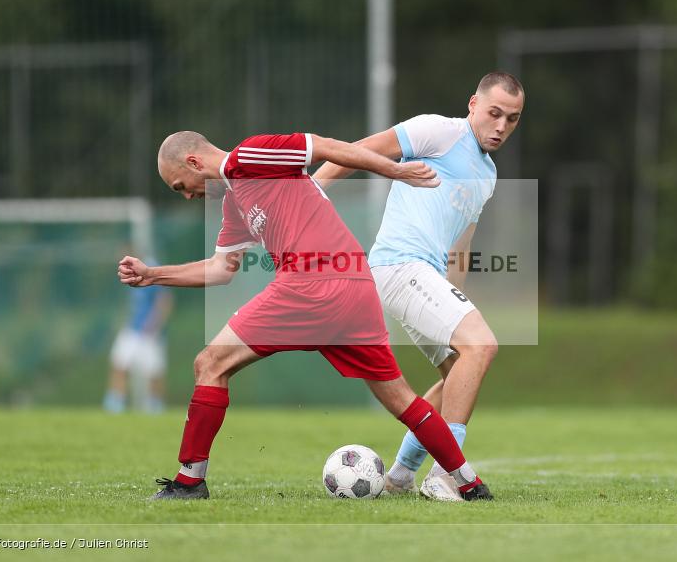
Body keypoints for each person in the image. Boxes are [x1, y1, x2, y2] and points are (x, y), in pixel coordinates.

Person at [117, 129, 493, 501]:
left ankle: (189, 482)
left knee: (210, 363)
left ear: (194, 162)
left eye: (180, 184)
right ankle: (469, 483)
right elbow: (220, 268)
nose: (185, 195)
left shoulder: (251, 154)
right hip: (354, 285)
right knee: (402, 400)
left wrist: (395, 171)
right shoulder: (234, 202)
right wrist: (153, 275)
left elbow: (327, 146)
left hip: (311, 283)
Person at [313, 71, 525, 501]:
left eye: (513, 118)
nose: (501, 126)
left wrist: (457, 300)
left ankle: (401, 475)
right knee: (481, 346)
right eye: (494, 113)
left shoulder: (488, 174)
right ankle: (449, 474)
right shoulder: (438, 132)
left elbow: (459, 248)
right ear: (473, 105)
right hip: (399, 266)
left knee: (457, 373)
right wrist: (314, 189)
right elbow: (357, 152)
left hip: (425, 278)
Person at [104, 254, 173, 414]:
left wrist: (154, 325)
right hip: (132, 330)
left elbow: (165, 300)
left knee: (154, 373)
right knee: (119, 364)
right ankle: (115, 405)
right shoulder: (129, 270)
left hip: (149, 333)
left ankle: (155, 407)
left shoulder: (151, 267)